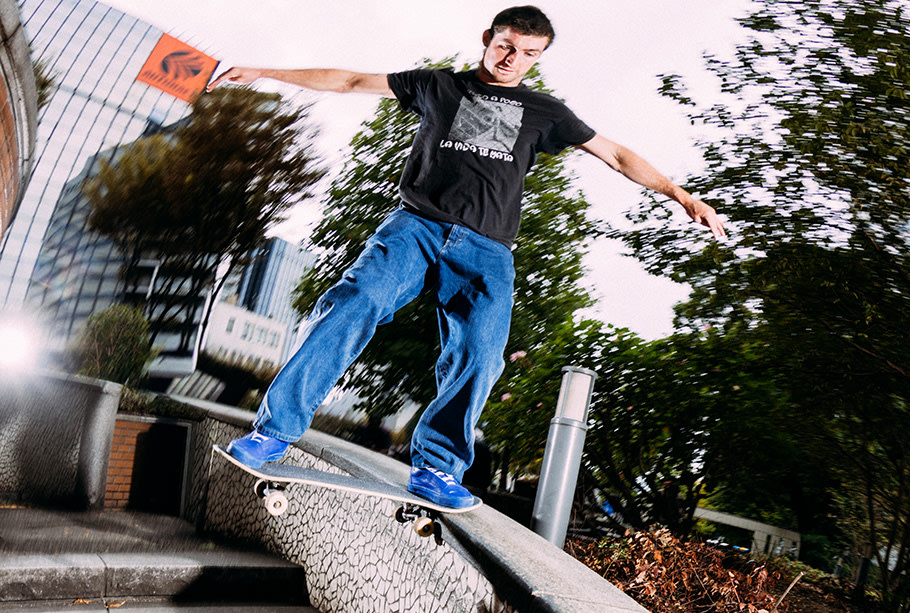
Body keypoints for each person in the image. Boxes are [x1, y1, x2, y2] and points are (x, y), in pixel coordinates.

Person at [209, 5, 724, 509]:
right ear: (487, 38)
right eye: (505, 45)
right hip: (416, 226)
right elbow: (349, 81)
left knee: (480, 351)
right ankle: (272, 433)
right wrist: (264, 70)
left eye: (526, 53)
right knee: (356, 300)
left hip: (488, 248)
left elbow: (614, 154)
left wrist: (681, 195)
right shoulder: (437, 85)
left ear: (537, 57)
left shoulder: (547, 113)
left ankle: (436, 467)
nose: (510, 59)